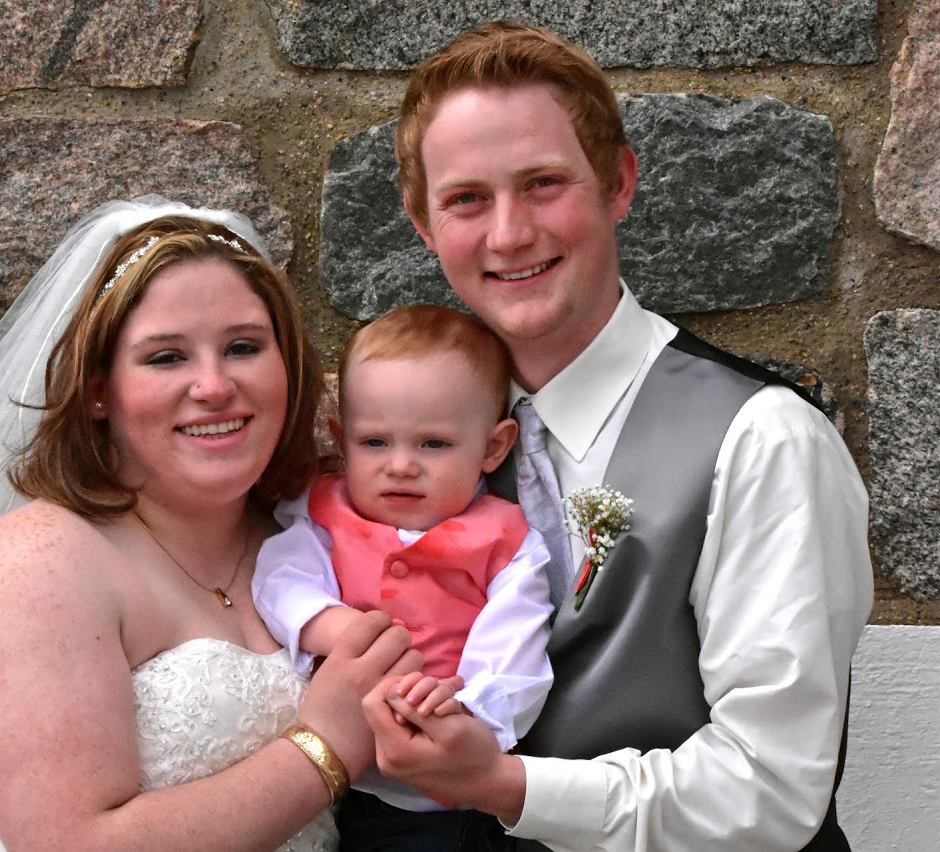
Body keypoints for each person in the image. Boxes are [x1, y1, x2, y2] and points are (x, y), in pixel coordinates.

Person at [360, 21, 874, 852]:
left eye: (541, 184)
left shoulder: (762, 439)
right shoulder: (402, 445)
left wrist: (506, 787)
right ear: (423, 224)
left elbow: (771, 792)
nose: (508, 234)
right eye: (466, 199)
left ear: (617, 184)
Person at [0, 197, 420, 851]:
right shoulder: (35, 564)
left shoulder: (306, 533)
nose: (213, 385)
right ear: (98, 391)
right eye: (166, 358)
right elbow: (68, 844)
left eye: (242, 347)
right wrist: (323, 748)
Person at [252, 304, 554, 850]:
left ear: (493, 447)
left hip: (455, 786)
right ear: (341, 438)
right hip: (349, 780)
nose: (400, 465)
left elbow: (516, 649)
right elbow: (281, 579)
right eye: (374, 442)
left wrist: (467, 706)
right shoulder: (322, 514)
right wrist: (337, 628)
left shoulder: (507, 542)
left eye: (433, 444)